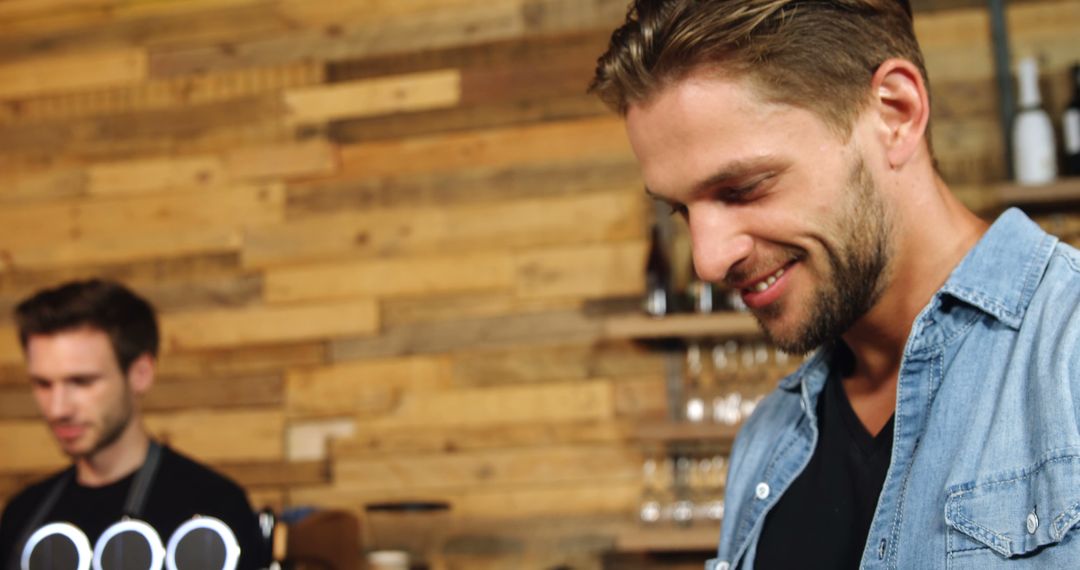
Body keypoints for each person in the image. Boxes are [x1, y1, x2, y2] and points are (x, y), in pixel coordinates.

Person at [591, 0, 1080, 568]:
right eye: (682, 210)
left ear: (895, 112)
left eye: (744, 187)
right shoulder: (766, 443)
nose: (707, 261)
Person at [0, 279, 266, 569]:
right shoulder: (22, 515)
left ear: (140, 374)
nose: (58, 408)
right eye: (43, 384)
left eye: (82, 382)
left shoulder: (214, 507)